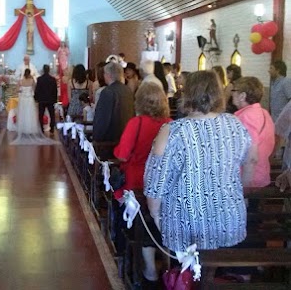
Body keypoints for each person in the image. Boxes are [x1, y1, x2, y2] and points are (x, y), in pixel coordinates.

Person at [144, 70, 251, 254]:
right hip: (229, 219)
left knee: (189, 273)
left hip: (188, 224)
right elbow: (249, 161)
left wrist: (155, 214)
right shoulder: (235, 124)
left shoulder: (173, 131)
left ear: (188, 94)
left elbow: (156, 183)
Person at [112, 82, 172, 282]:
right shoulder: (171, 124)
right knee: (159, 220)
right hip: (163, 185)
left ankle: (130, 253)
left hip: (136, 182)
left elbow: (122, 155)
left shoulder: (136, 123)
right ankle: (167, 264)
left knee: (133, 219)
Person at [232, 77, 274, 187]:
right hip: (262, 174)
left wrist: (244, 190)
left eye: (234, 90)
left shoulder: (247, 116)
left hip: (249, 180)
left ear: (242, 96)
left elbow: (251, 157)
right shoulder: (264, 113)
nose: (232, 94)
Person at [11, 69, 58, 145]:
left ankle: (24, 129)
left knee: (23, 114)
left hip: (23, 100)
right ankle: (31, 129)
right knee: (30, 114)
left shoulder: (21, 81)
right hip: (29, 99)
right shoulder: (32, 80)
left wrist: (22, 90)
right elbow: (34, 90)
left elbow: (17, 90)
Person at [93, 62, 134, 144]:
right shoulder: (128, 90)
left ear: (108, 75)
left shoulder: (107, 92)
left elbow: (102, 118)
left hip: (110, 140)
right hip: (126, 137)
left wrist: (96, 138)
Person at [34, 64, 58, 134]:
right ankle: (52, 129)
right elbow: (55, 90)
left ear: (43, 70)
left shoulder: (39, 79)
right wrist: (55, 99)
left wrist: (36, 98)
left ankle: (41, 129)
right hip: (50, 99)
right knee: (52, 115)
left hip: (42, 100)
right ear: (49, 70)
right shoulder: (53, 79)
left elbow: (37, 90)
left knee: (41, 115)